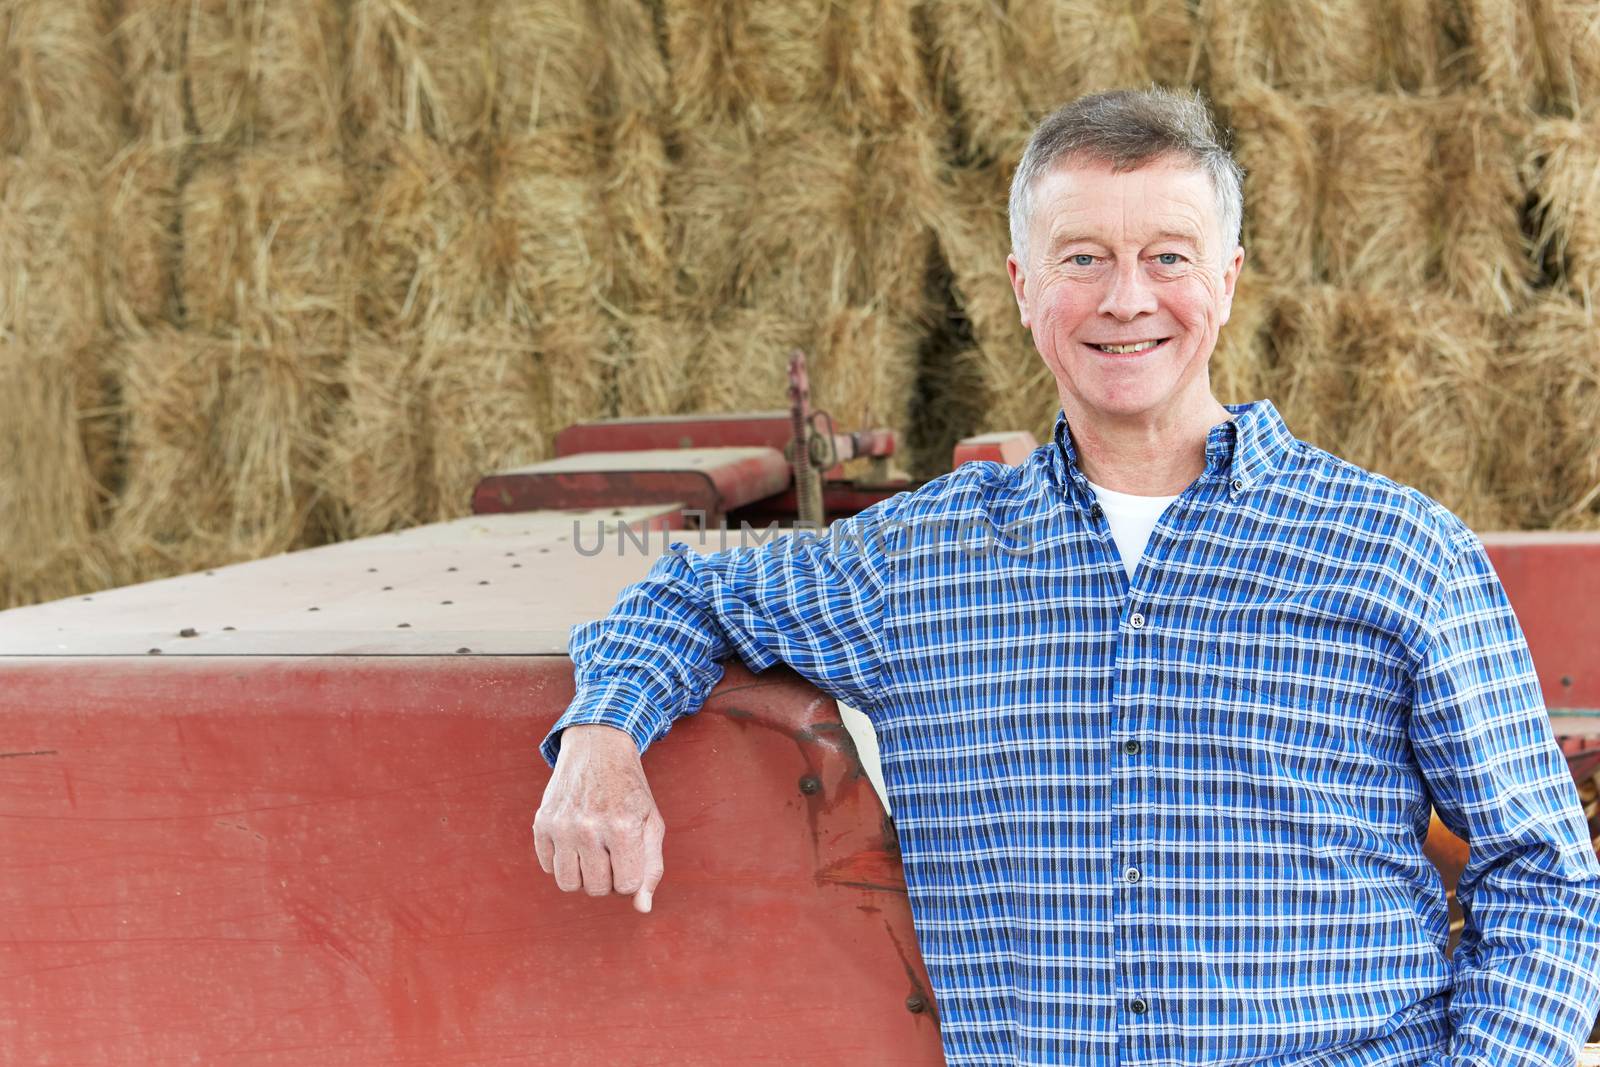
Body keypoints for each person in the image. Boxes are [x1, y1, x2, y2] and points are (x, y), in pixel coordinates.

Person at [533, 87, 1600, 1065]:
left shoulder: (1395, 550)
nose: (1125, 299)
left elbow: (1545, 874)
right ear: (1022, 284)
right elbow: (686, 592)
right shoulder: (918, 560)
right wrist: (601, 734)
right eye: (1082, 257)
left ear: (1227, 280)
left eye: (1169, 258)